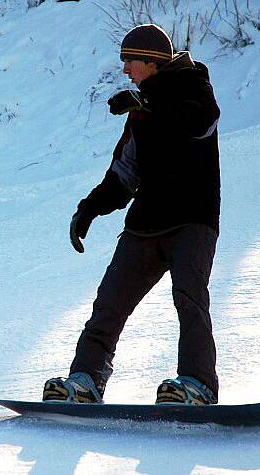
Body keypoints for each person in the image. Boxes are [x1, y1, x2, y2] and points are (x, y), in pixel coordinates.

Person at [43, 24, 222, 405]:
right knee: (109, 304)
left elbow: (197, 123)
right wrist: (88, 209)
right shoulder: (141, 111)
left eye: (130, 61)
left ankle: (198, 385)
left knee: (190, 300)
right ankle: (84, 382)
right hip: (145, 225)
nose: (125, 69)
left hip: (193, 219)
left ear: (152, 62)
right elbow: (124, 174)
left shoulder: (196, 89)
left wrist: (149, 105)